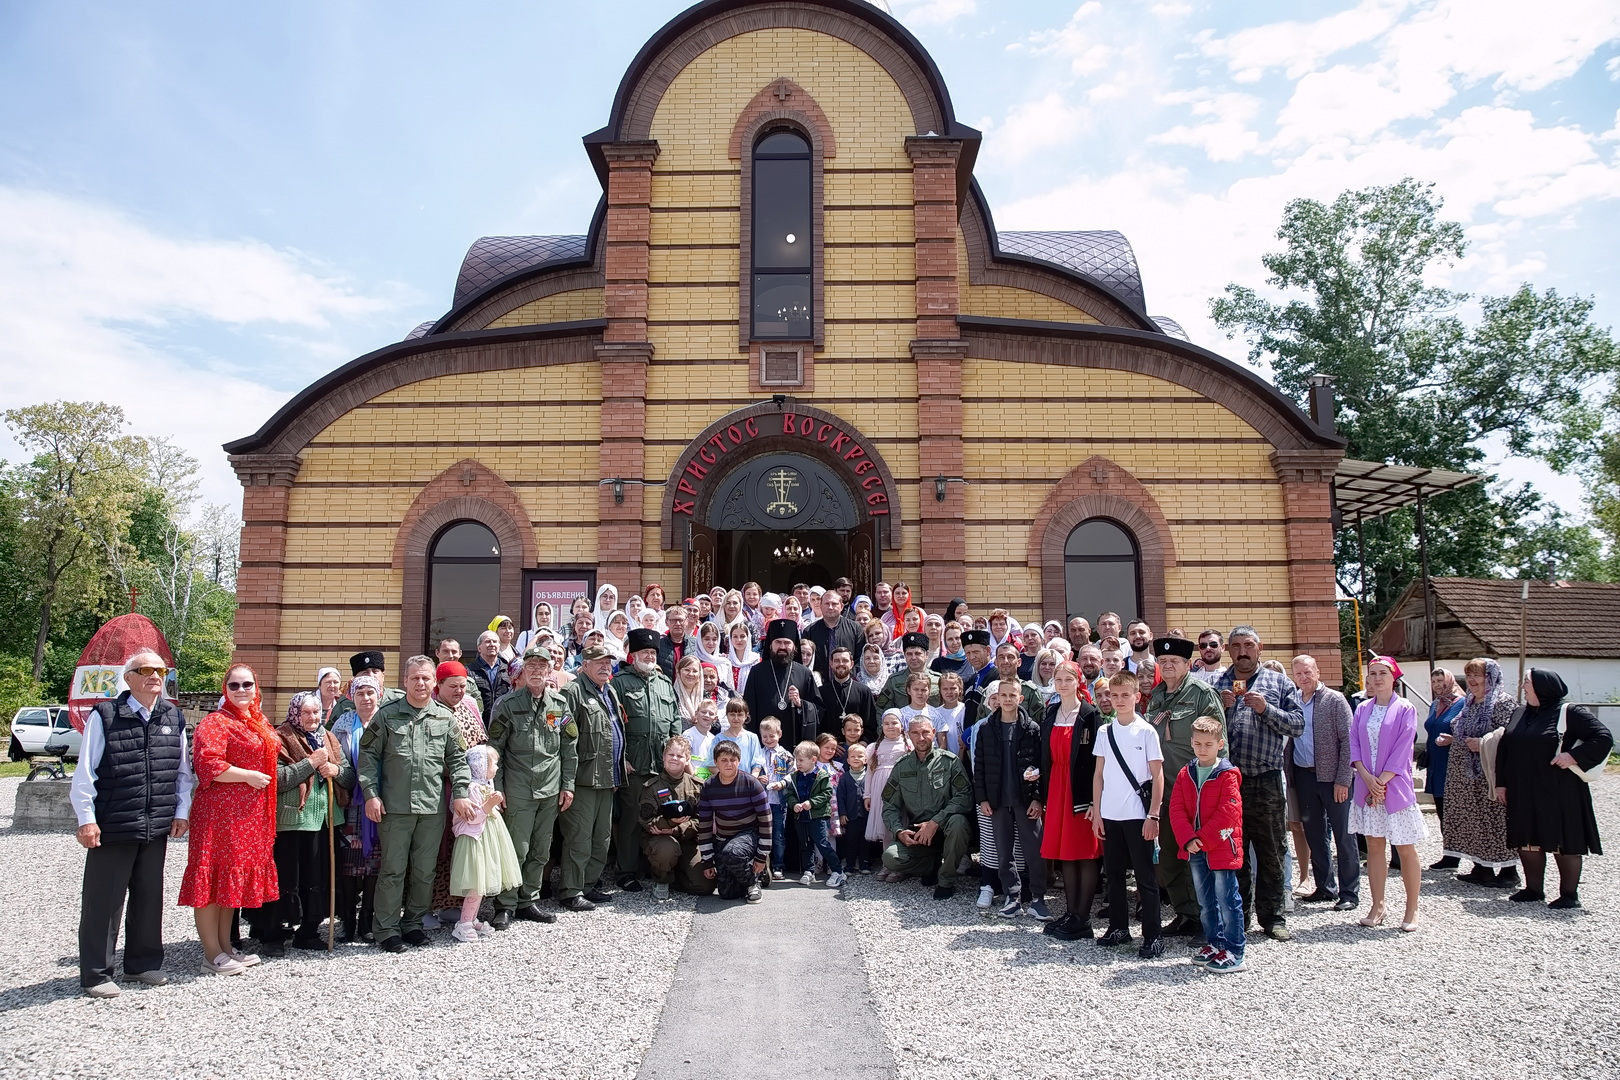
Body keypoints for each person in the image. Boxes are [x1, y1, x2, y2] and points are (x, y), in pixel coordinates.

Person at [73, 651, 196, 996]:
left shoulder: (172, 715)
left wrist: (181, 811)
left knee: (148, 897)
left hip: (156, 823)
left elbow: (182, 773)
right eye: (144, 670)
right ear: (128, 678)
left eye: (160, 670)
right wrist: (86, 818)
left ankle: (142, 965)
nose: (154, 676)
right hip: (114, 822)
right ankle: (97, 974)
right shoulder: (106, 715)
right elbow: (85, 772)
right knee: (104, 902)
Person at [358, 656, 475, 953]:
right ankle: (386, 929)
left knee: (424, 871)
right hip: (395, 808)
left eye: (425, 678)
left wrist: (461, 792)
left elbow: (458, 760)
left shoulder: (444, 717)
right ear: (405, 681)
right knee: (393, 871)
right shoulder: (388, 715)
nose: (420, 683)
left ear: (434, 682)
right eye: (414, 678)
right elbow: (368, 756)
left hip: (431, 807)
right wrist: (371, 793)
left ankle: (412, 924)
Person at [178, 662, 283, 976]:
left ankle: (225, 947)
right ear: (225, 689)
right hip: (219, 814)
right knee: (211, 881)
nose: (241, 690)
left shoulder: (257, 721)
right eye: (234, 685)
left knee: (228, 882)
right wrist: (247, 776)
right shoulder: (216, 722)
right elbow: (207, 763)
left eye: (247, 684)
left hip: (248, 816)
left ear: (256, 687)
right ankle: (211, 953)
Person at [1215, 625, 1304, 941]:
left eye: (1248, 645)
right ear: (1229, 650)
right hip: (1228, 784)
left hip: (1265, 780)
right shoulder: (1221, 683)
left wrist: (1266, 709)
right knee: (1233, 852)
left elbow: (1297, 725)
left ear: (1260, 647)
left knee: (1271, 851)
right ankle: (1239, 916)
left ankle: (1273, 917)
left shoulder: (1278, 682)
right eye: (1236, 645)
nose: (1243, 651)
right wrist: (1222, 710)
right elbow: (1205, 733)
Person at [1497, 669, 1614, 909]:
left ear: (1543, 686)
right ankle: (1533, 889)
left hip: (1560, 789)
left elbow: (1602, 737)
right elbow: (1504, 749)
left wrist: (1573, 756)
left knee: (1564, 838)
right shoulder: (1520, 713)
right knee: (1527, 837)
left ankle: (1569, 895)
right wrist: (1501, 783)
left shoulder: (1569, 712)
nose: (1523, 687)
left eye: (1527, 682)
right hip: (1523, 788)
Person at [485, 648, 577, 927]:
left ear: (550, 671)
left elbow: (569, 748)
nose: (537, 670)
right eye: (531, 665)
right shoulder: (508, 705)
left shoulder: (559, 706)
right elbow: (495, 750)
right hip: (518, 789)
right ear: (523, 670)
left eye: (542, 666)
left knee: (541, 849)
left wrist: (568, 785)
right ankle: (506, 904)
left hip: (549, 789)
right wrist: (497, 788)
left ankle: (529, 900)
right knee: (517, 848)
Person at [1142, 635, 1224, 937]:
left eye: (1174, 661)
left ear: (1187, 664)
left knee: (1199, 855)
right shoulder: (1158, 696)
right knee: (1170, 857)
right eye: (1163, 662)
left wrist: (1212, 788)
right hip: (1165, 790)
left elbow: (1219, 744)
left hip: (1195, 790)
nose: (1168, 666)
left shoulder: (1202, 694)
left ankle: (1207, 919)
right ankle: (1186, 913)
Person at [264, 692, 350, 956]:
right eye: (306, 713)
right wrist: (310, 763)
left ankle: (309, 932)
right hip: (293, 820)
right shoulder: (280, 738)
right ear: (295, 714)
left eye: (316, 712)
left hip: (326, 820)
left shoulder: (329, 738)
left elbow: (348, 773)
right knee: (287, 878)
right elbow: (277, 778)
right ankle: (273, 934)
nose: (313, 717)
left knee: (318, 878)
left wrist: (337, 771)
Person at [1090, 671, 1166, 958]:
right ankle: (1119, 928)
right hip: (1110, 814)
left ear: (1136, 697)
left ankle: (1153, 935)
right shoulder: (1104, 732)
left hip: (1138, 815)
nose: (1119, 700)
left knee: (1146, 878)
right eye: (1114, 695)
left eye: (1125, 695)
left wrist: (1154, 815)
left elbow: (1157, 776)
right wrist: (1097, 812)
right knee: (1114, 875)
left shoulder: (1146, 731)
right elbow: (1099, 775)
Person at [1347, 656, 1426, 932]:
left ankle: (1412, 907)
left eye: (1383, 673)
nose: (1377, 678)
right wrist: (1368, 779)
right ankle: (1378, 904)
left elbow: (1405, 746)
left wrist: (1382, 781)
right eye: (1373, 673)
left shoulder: (1405, 708)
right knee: (1374, 845)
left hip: (1394, 787)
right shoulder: (1362, 709)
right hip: (1367, 786)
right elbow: (1354, 745)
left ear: (1394, 677)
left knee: (1404, 847)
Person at [1170, 717, 1246, 973]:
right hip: (1195, 847)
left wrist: (1203, 838)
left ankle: (1235, 950)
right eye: (1198, 743)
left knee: (1227, 899)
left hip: (1221, 847)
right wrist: (1188, 838)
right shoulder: (1185, 773)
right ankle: (1214, 943)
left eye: (1209, 744)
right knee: (1205, 900)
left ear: (1220, 744)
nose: (1203, 749)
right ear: (1191, 743)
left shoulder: (1228, 774)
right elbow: (1177, 808)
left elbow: (1229, 811)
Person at [1435, 657, 1518, 885]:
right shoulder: (1470, 702)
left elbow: (1509, 735)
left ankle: (1509, 872)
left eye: (1477, 675)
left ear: (1490, 677)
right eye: (1469, 675)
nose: (1472, 680)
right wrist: (1454, 739)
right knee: (1474, 821)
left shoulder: (1502, 702)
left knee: (1494, 821)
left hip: (1488, 774)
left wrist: (1482, 742)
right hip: (1466, 776)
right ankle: (1482, 867)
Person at [611, 627, 683, 892]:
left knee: (662, 815)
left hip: (661, 764)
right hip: (634, 763)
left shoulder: (665, 684)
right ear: (634, 655)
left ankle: (655, 867)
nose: (650, 656)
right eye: (645, 652)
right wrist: (620, 758)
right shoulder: (620, 683)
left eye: (653, 652)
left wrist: (677, 755)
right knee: (631, 818)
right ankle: (627, 871)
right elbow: (612, 725)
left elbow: (674, 721)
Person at [974, 679, 1050, 920]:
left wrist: (1038, 799)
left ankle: (1038, 898)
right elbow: (980, 767)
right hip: (997, 801)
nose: (1007, 700)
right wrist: (983, 798)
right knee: (1003, 851)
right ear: (997, 698)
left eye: (1012, 695)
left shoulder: (1032, 729)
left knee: (1034, 850)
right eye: (1003, 695)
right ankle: (1012, 896)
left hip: (1025, 800)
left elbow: (1040, 767)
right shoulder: (987, 728)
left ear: (1021, 698)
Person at [557, 645, 625, 912]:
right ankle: (570, 890)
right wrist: (566, 781)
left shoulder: (609, 690)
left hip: (607, 777)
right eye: (598, 662)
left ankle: (587, 885)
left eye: (608, 662)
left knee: (602, 838)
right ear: (584, 665)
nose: (604, 666)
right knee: (579, 838)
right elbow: (561, 732)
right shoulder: (572, 692)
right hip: (583, 778)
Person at [1039, 661, 1104, 941]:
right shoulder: (1051, 712)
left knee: (1085, 852)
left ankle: (1082, 918)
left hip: (1079, 790)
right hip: (1056, 787)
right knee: (1065, 851)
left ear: (1078, 681)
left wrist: (1093, 800)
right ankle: (1070, 912)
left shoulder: (1089, 714)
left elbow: (1095, 761)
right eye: (1058, 679)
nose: (1063, 683)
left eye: (1068, 679)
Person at [1288, 655, 1358, 912]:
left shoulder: (1334, 700)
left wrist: (1343, 779)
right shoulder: (1293, 701)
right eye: (1298, 674)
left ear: (1317, 672)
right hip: (1304, 776)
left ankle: (1349, 892)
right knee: (1315, 835)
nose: (1303, 678)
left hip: (1332, 778)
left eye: (1308, 672)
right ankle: (1324, 887)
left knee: (1343, 835)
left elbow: (1349, 742)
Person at [881, 716, 973, 900]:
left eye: (925, 732)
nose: (921, 737)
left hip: (947, 827)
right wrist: (899, 831)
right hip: (920, 834)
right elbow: (889, 805)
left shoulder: (950, 761)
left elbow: (965, 797)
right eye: (915, 733)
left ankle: (945, 880)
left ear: (933, 733)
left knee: (958, 822)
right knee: (890, 858)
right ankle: (930, 866)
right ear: (908, 735)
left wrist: (935, 822)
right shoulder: (901, 766)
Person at [448, 745, 522, 943]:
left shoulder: (484, 785)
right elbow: (472, 818)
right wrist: (489, 805)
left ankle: (471, 919)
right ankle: (463, 923)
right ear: (480, 766)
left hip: (486, 839)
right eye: (494, 763)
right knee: (476, 883)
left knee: (482, 882)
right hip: (474, 840)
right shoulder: (470, 789)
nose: (497, 767)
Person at [331, 674, 383, 942]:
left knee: (375, 863)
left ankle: (368, 920)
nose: (366, 698)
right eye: (360, 693)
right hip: (350, 800)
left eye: (370, 693)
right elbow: (336, 758)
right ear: (352, 696)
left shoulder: (386, 720)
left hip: (379, 800)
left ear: (379, 695)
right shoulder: (342, 724)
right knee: (349, 864)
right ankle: (347, 920)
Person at [640, 736, 713, 900]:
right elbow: (647, 822)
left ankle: (676, 877)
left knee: (704, 886)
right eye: (670, 754)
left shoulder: (697, 786)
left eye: (680, 756)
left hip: (688, 840)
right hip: (661, 840)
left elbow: (703, 820)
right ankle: (662, 880)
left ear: (687, 759)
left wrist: (677, 828)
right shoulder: (651, 787)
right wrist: (670, 823)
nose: (674, 759)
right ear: (664, 756)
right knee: (667, 849)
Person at [698, 740, 771, 902]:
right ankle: (755, 872)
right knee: (727, 893)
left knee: (732, 853)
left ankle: (753, 882)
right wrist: (707, 860)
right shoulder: (708, 787)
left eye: (733, 760)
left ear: (739, 761)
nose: (729, 764)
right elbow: (704, 825)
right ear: (715, 762)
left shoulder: (752, 784)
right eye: (723, 760)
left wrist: (761, 856)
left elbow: (766, 820)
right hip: (723, 838)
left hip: (749, 835)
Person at [741, 619, 822, 745]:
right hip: (763, 743)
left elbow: (818, 710)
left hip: (795, 743)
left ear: (794, 646)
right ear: (770, 645)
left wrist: (801, 704)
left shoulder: (804, 673)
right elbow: (748, 709)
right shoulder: (757, 672)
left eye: (787, 643)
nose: (782, 647)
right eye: (778, 642)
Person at [1423, 667, 1466, 869]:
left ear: (1449, 680)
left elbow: (1468, 731)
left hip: (1453, 764)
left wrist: (1454, 740)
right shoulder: (1435, 705)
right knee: (1442, 810)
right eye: (1434, 682)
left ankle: (1457, 854)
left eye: (1441, 680)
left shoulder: (1463, 704)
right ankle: (1449, 854)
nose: (1438, 685)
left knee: (1455, 811)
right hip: (1435, 764)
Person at [788, 741, 846, 887]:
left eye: (801, 760)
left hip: (817, 816)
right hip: (801, 817)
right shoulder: (795, 776)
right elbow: (790, 794)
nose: (798, 763)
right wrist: (794, 804)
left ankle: (838, 871)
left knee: (822, 843)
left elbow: (827, 793)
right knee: (805, 844)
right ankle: (809, 871)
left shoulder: (822, 776)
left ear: (813, 760)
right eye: (796, 760)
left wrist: (811, 803)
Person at [867, 709, 909, 880]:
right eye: (886, 723)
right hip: (880, 790)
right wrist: (867, 795)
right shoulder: (874, 747)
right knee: (885, 828)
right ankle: (887, 863)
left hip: (901, 790)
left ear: (902, 725)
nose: (890, 726)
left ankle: (899, 865)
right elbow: (870, 772)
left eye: (894, 723)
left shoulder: (907, 745)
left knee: (899, 826)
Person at [758, 717, 795, 880]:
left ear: (779, 734)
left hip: (779, 802)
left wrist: (782, 783)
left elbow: (793, 774)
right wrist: (759, 779)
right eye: (764, 736)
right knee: (761, 834)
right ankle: (761, 866)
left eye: (771, 736)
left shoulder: (786, 755)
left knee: (778, 835)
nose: (768, 739)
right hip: (761, 801)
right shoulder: (758, 753)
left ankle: (778, 866)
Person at [821, 645, 878, 742]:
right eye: (837, 661)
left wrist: (863, 743)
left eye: (845, 660)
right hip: (829, 749)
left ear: (851, 664)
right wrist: (829, 743)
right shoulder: (821, 692)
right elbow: (819, 723)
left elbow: (871, 722)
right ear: (831, 664)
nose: (841, 664)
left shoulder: (864, 691)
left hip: (858, 749)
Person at [841, 741, 873, 873]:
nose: (856, 759)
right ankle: (850, 864)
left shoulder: (869, 776)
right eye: (853, 756)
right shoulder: (844, 778)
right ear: (848, 760)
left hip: (866, 816)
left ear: (865, 760)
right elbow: (840, 797)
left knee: (866, 841)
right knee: (851, 841)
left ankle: (865, 863)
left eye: (860, 756)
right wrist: (842, 813)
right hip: (851, 816)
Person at [465, 631, 510, 725]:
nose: (492, 644)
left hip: (504, 721)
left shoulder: (508, 669)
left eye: (495, 641)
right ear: (479, 648)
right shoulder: (469, 670)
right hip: (478, 722)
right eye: (488, 641)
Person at [657, 606, 698, 679]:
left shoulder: (696, 644)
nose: (677, 623)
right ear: (666, 622)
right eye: (673, 620)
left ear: (686, 622)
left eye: (681, 620)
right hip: (666, 688)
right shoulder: (658, 645)